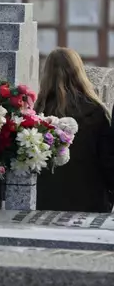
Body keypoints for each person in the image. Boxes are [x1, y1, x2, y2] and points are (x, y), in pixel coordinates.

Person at [34, 48, 114, 213]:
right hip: (90, 201)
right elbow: (108, 160)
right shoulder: (97, 112)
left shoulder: (37, 114)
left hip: (45, 202)